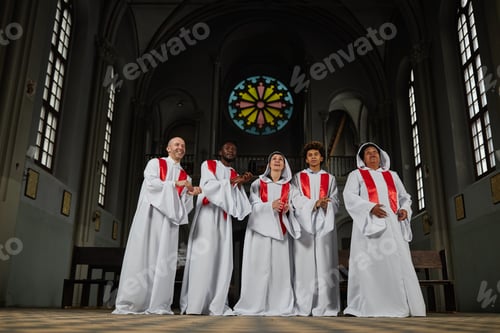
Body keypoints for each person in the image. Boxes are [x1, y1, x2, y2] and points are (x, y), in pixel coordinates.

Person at [113, 137, 201, 315]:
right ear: (168, 148)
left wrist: (191, 193)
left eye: (183, 145)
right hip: (150, 217)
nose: (180, 147)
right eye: (177, 144)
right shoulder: (155, 163)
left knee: (163, 261)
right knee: (143, 255)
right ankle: (133, 302)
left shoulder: (186, 176)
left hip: (169, 224)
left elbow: (182, 207)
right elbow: (151, 184)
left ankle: (158, 304)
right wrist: (174, 184)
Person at [342, 142, 426, 317]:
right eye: (368, 153)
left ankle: (400, 304)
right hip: (368, 227)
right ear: (362, 158)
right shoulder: (356, 175)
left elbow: (405, 198)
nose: (372, 155)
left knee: (397, 263)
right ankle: (371, 305)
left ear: (381, 157)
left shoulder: (392, 175)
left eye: (375, 152)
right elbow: (349, 196)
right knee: (371, 265)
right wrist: (369, 207)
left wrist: (405, 210)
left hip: (393, 226)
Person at [180, 141, 253, 316]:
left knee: (222, 259)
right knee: (203, 257)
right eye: (227, 148)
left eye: (234, 149)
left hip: (224, 219)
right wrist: (232, 182)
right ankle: (196, 304)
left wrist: (239, 183)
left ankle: (217, 304)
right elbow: (209, 187)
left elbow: (237, 202)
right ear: (220, 151)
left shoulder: (233, 172)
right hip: (207, 215)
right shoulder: (209, 165)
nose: (231, 150)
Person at [233, 151, 301, 316]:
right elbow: (253, 204)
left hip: (280, 231)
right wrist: (270, 205)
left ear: (285, 165)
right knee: (259, 267)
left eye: (281, 160)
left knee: (280, 269)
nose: (277, 161)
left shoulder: (290, 187)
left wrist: (287, 208)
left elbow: (296, 206)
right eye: (274, 159)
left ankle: (279, 305)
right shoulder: (258, 183)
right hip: (260, 232)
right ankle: (255, 304)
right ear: (269, 164)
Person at [291, 141, 340, 316]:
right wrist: (314, 203)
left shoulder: (330, 178)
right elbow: (295, 199)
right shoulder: (297, 178)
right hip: (305, 224)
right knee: (304, 265)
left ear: (321, 158)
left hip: (324, 224)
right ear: (306, 159)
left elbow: (336, 201)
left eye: (316, 154)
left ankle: (325, 305)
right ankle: (304, 304)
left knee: (325, 265)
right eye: (310, 155)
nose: (313, 157)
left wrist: (326, 205)